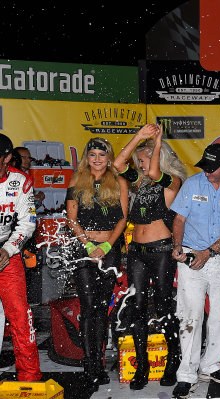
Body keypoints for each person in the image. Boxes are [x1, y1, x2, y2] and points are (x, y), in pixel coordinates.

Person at [170, 143, 220, 399]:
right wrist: (177, 246)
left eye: (213, 169)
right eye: (205, 167)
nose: (207, 172)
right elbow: (179, 219)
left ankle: (210, 365)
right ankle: (186, 374)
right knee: (189, 316)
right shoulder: (193, 184)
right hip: (191, 256)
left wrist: (210, 253)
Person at [113, 123, 186, 389]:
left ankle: (173, 361)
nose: (141, 166)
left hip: (162, 251)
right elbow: (118, 162)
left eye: (143, 161)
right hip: (137, 252)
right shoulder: (140, 183)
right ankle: (141, 365)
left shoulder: (172, 181)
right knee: (138, 307)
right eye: (140, 162)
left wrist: (155, 143)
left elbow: (155, 171)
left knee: (165, 306)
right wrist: (140, 137)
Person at [65, 137, 128, 391]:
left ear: (109, 157)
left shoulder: (120, 182)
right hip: (83, 250)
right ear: (86, 157)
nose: (98, 159)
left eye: (102, 155)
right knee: (89, 306)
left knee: (102, 308)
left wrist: (106, 246)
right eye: (93, 155)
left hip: (109, 250)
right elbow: (71, 219)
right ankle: (89, 364)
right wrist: (90, 246)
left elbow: (122, 220)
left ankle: (98, 365)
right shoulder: (76, 180)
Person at [0, 133, 42, 381]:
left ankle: (30, 378)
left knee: (19, 316)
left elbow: (28, 223)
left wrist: (9, 249)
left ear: (6, 158)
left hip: (8, 252)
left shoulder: (22, 181)